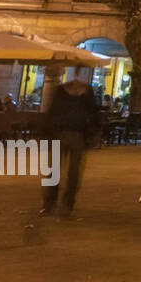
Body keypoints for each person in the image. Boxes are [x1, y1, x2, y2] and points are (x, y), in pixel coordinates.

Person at [40, 75, 101, 218]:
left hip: (73, 134)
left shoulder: (74, 92)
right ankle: (55, 203)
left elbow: (53, 112)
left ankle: (59, 203)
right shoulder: (66, 91)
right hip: (67, 134)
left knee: (69, 171)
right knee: (60, 171)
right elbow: (92, 113)